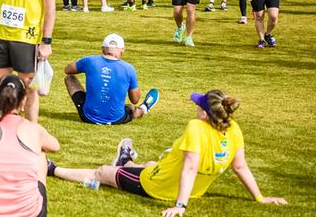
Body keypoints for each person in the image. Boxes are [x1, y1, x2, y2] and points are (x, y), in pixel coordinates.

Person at [49, 90, 288, 214]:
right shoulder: (234, 129)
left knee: (102, 172)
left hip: (156, 187)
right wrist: (259, 197)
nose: (195, 106)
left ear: (205, 113)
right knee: (154, 162)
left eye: (198, 104)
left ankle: (52, 168)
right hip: (192, 188)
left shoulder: (196, 126)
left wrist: (180, 206)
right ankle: (125, 161)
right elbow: (240, 167)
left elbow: (190, 167)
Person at [0, 75, 59, 217]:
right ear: (23, 101)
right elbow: (55, 146)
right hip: (29, 212)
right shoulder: (33, 129)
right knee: (40, 155)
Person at [63, 33, 159, 125]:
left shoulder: (89, 60)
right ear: (122, 50)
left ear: (102, 49)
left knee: (70, 78)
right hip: (116, 119)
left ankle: (90, 104)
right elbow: (135, 99)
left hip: (88, 118)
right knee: (131, 108)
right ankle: (144, 108)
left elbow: (67, 70)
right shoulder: (129, 68)